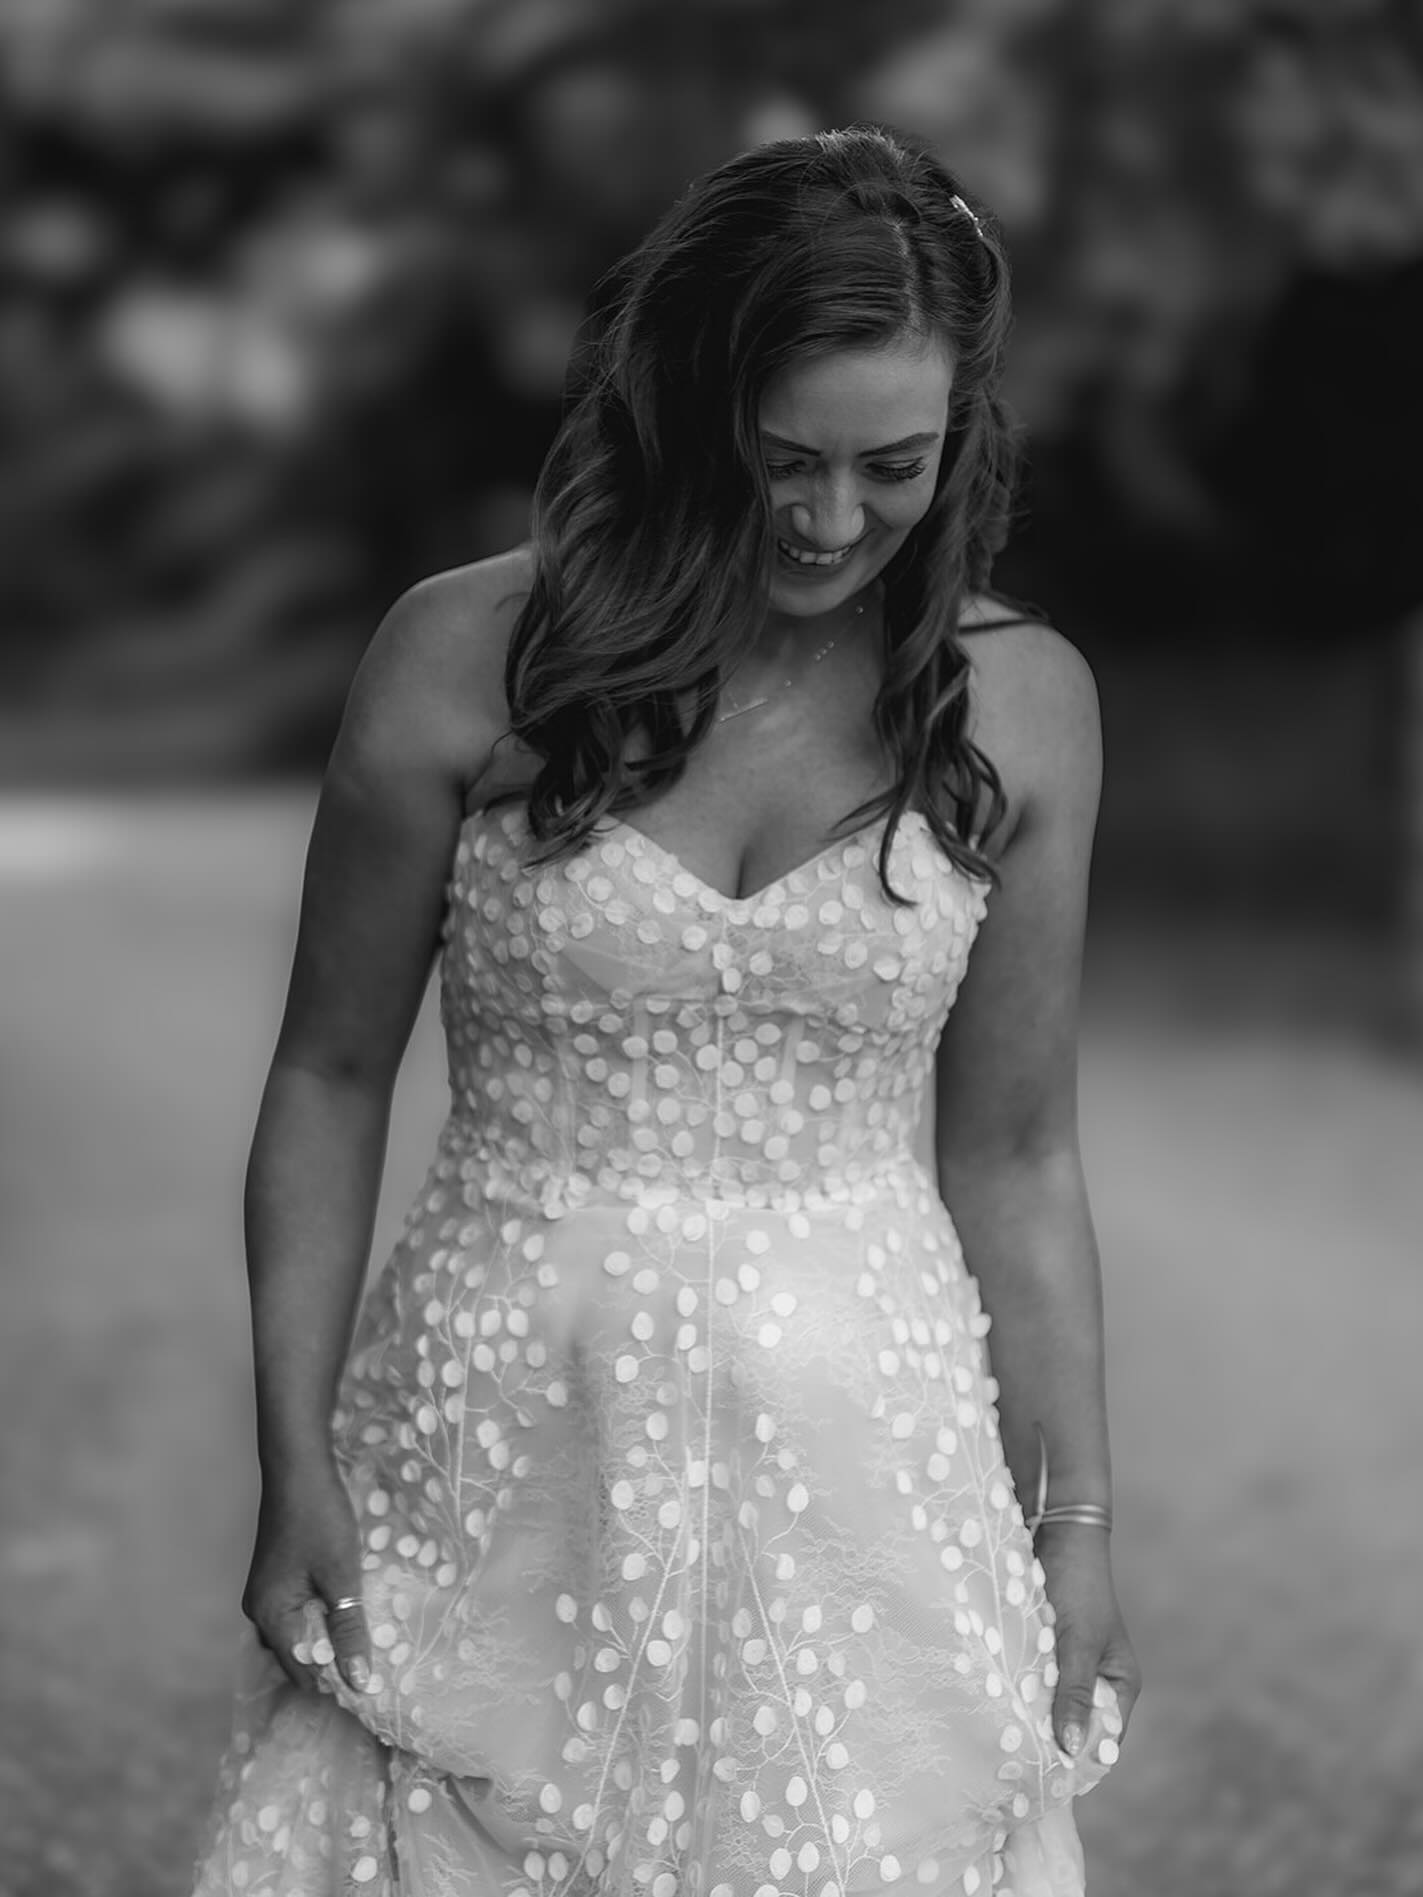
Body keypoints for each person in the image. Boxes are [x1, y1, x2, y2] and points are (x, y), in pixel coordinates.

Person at [190, 122, 1140, 1897]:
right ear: (686, 394)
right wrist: (289, 1445)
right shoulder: (462, 657)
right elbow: (328, 1074)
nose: (832, 519)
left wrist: (1073, 1526)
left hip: (874, 1467)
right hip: (497, 1445)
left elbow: (1016, 1151)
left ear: (962, 437)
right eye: (783, 457)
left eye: (893, 466)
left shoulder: (1025, 710)